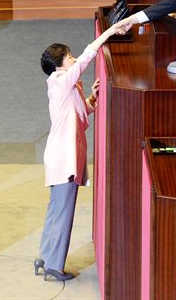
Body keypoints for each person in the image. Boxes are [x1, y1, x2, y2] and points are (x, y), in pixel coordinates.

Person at [35, 22, 121, 281]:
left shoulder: (63, 85)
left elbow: (78, 117)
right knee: (63, 213)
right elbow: (85, 60)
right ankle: (53, 265)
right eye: (69, 57)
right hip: (64, 158)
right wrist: (106, 35)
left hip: (62, 155)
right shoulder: (61, 81)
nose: (73, 60)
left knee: (56, 210)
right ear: (60, 65)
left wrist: (92, 100)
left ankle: (45, 256)